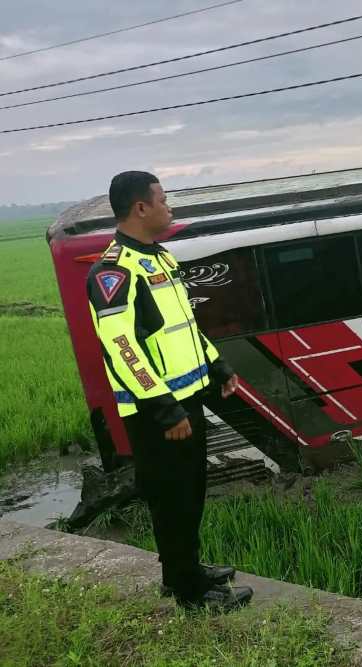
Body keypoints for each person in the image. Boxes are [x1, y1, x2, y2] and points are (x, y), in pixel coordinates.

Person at [86, 171, 252, 612]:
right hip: (157, 412)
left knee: (190, 492)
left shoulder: (158, 258)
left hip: (187, 400)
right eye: (163, 199)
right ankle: (188, 592)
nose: (169, 206)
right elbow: (121, 348)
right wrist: (165, 408)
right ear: (141, 208)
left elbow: (183, 328)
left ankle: (185, 569)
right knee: (173, 498)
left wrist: (217, 365)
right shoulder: (113, 272)